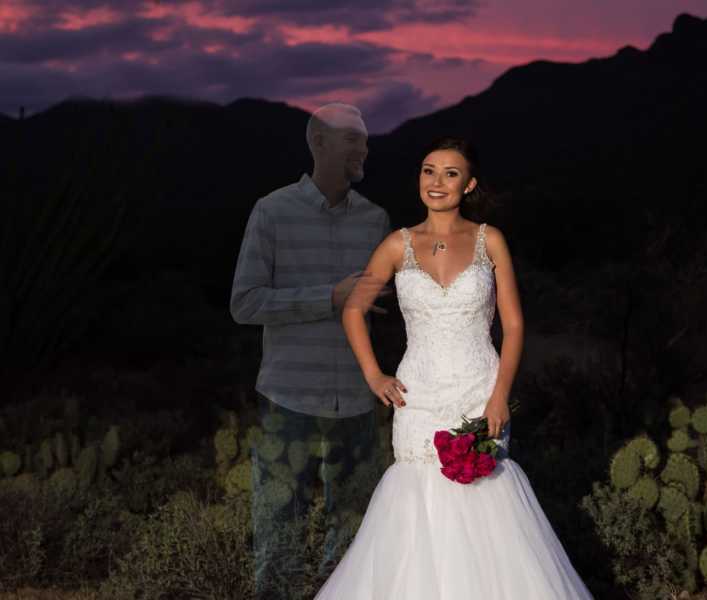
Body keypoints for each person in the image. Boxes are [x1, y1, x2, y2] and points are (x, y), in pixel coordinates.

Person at [313, 136, 595, 598]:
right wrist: (373, 374)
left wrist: (500, 394)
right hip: (418, 395)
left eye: (450, 173)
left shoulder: (490, 241)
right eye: (428, 170)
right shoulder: (396, 245)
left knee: (487, 502)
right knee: (415, 503)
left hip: (478, 389)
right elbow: (352, 310)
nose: (437, 181)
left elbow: (515, 325)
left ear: (469, 184)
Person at [229, 102, 393, 598]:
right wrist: (329, 297)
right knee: (279, 534)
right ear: (318, 142)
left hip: (358, 401)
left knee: (354, 538)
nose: (364, 148)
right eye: (352, 139)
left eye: (366, 139)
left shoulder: (375, 219)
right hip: (289, 399)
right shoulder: (272, 211)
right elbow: (245, 302)